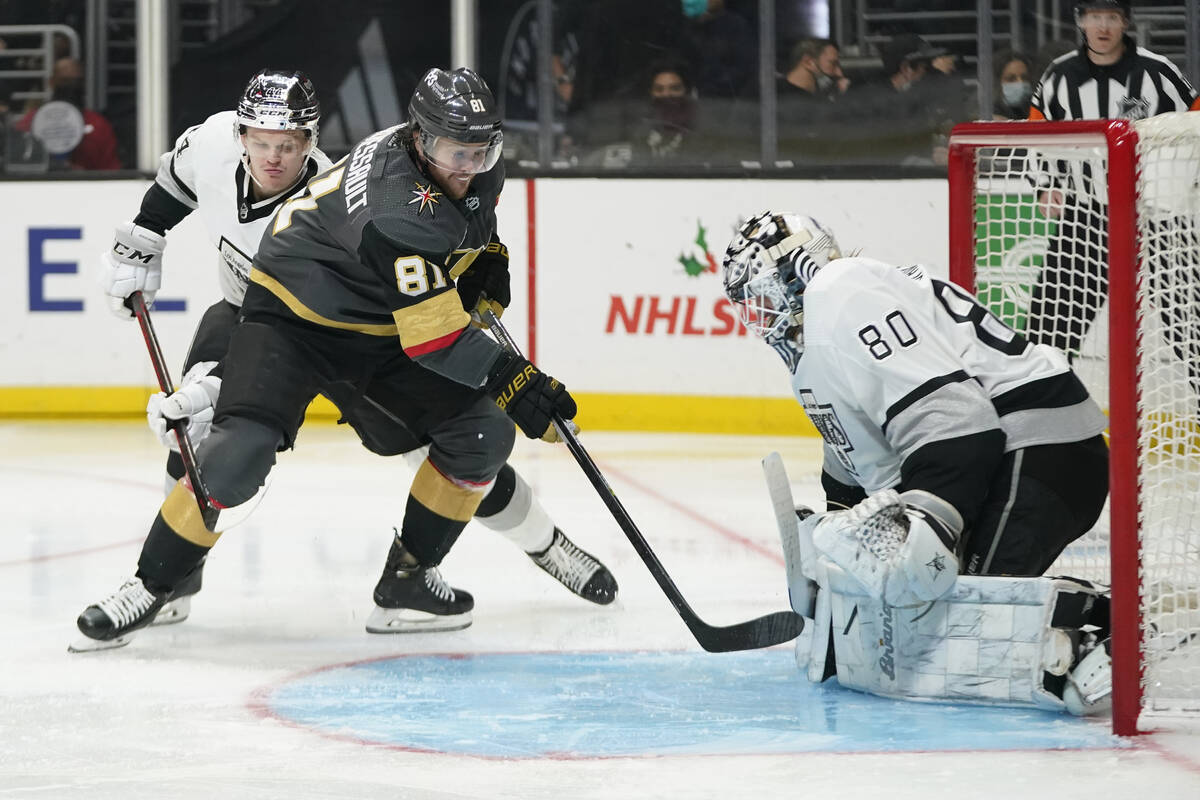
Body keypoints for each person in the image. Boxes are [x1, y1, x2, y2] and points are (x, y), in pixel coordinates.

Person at [73, 67, 610, 652]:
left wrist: (484, 261)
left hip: (378, 328)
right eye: (453, 150)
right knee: (236, 451)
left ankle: (411, 580)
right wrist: (516, 381)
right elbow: (435, 337)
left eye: (478, 151)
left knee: (478, 432)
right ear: (419, 139)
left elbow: (464, 234)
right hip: (290, 319)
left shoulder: (467, 162)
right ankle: (153, 583)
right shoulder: (390, 208)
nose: (465, 165)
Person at [722, 211, 1114, 715]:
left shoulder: (840, 292)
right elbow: (861, 469)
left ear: (798, 267)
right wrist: (838, 561)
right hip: (1007, 453)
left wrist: (931, 526)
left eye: (761, 293)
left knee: (956, 628)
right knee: (916, 627)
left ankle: (1110, 624)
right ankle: (1073, 627)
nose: (758, 314)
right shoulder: (815, 345)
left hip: (1041, 446)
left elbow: (959, 426)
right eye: (746, 304)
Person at [1026, 0, 1200, 359]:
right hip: (1086, 212)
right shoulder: (1059, 75)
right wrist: (1045, 185)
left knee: (1187, 321)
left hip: (1156, 214)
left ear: (1125, 23)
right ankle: (1043, 410)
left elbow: (1194, 123)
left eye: (1111, 18)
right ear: (1081, 22)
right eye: (1094, 18)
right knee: (1050, 325)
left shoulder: (1157, 71)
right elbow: (1037, 133)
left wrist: (1188, 182)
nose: (1102, 27)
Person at [17, 57, 121, 170]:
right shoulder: (31, 122)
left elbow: (111, 172)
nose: (71, 86)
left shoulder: (98, 125)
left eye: (76, 81)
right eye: (65, 81)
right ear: (51, 82)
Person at [992, 50, 1035, 120]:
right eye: (1011, 79)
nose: (1020, 82)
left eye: (1024, 77)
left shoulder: (1039, 108)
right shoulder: (989, 114)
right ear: (997, 82)